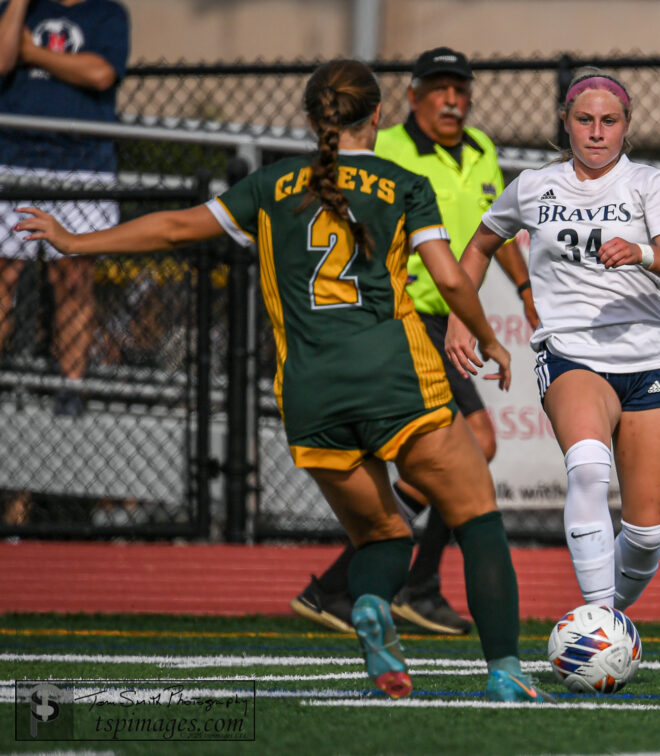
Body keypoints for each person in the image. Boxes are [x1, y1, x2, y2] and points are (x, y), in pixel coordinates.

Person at [16, 58, 553, 704]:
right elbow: (447, 278)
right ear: (378, 117)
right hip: (395, 377)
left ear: (310, 119)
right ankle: (505, 673)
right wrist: (489, 337)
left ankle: (372, 602)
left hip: (310, 392)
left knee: (382, 534)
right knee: (477, 514)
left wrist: (75, 243)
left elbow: (175, 227)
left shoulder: (270, 185)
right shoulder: (404, 183)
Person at [291, 46, 538, 637]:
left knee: (462, 450)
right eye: (439, 88)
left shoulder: (481, 151)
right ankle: (397, 584)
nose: (452, 99)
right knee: (469, 446)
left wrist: (525, 287)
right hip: (403, 318)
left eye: (460, 88)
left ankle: (355, 585)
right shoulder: (388, 150)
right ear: (411, 97)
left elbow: (494, 228)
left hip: (443, 316)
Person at [447, 68, 660, 612]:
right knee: (587, 467)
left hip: (652, 358)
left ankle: (603, 618)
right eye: (583, 120)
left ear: (626, 126)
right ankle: (598, 627)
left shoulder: (649, 184)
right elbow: (480, 244)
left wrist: (643, 252)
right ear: (565, 124)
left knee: (646, 537)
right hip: (571, 353)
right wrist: (460, 315)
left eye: (609, 121)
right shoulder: (535, 186)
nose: (596, 131)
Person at [0, 0, 130, 417]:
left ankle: (70, 389)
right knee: (3, 276)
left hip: (82, 167)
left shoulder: (108, 14)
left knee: (73, 277)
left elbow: (99, 73)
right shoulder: (15, 11)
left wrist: (34, 54)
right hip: (13, 159)